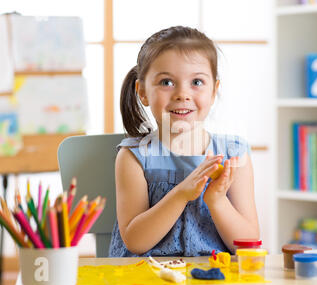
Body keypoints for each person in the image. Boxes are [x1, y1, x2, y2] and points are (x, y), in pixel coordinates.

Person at [109, 26, 259, 257]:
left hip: (213, 280)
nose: (182, 94)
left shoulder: (234, 156)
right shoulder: (134, 156)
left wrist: (217, 201)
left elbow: (248, 244)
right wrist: (181, 194)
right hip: (145, 277)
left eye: (197, 82)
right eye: (167, 82)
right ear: (143, 92)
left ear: (213, 90)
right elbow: (135, 242)